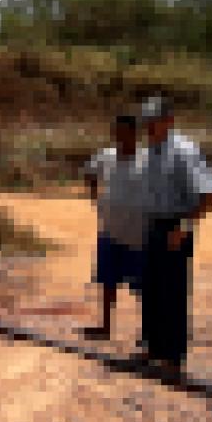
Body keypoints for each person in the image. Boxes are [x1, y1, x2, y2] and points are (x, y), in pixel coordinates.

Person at [136, 96, 212, 375]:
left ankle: (173, 358)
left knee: (173, 293)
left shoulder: (184, 151)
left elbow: (211, 193)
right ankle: (152, 347)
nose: (149, 126)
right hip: (152, 225)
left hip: (176, 227)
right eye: (146, 122)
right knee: (150, 289)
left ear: (169, 121)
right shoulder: (150, 150)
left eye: (155, 121)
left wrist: (185, 227)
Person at [80, 114, 148, 341]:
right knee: (107, 280)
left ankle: (147, 332)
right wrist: (94, 198)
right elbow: (89, 173)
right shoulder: (106, 156)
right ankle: (105, 327)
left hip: (139, 233)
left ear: (135, 134)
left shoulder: (146, 160)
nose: (120, 137)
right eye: (116, 132)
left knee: (143, 287)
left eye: (125, 132)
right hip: (110, 230)